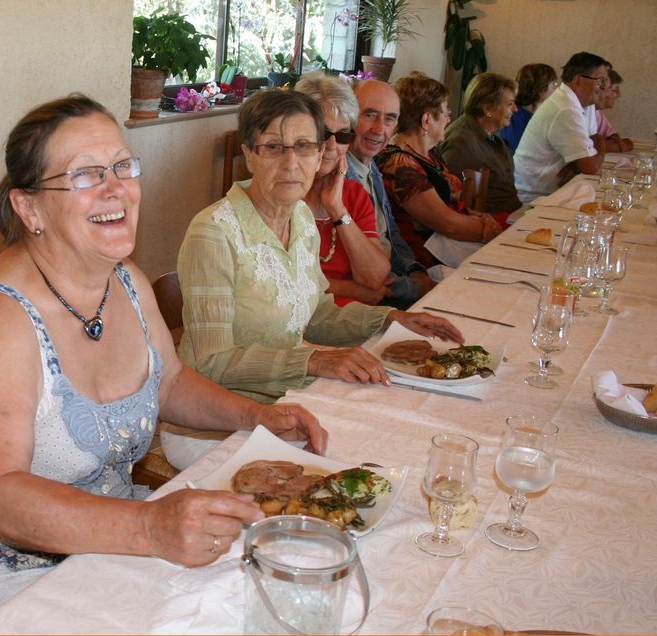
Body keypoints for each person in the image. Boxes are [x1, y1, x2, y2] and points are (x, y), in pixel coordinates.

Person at [0, 94, 328, 633]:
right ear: (29, 207)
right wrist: (150, 526)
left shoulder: (123, 278)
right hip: (3, 578)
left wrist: (256, 417)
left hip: (107, 540)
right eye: (83, 175)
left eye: (122, 166)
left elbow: (169, 382)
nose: (115, 188)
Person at [176, 89, 463, 406]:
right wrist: (313, 361)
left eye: (304, 147)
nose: (291, 163)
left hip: (287, 395)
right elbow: (211, 361)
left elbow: (316, 314)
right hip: (220, 411)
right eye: (273, 147)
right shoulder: (214, 233)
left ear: (319, 154)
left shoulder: (300, 217)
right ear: (249, 155)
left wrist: (390, 319)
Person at [377, 72, 502, 268]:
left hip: (450, 248)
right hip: (424, 261)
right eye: (446, 113)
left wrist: (481, 217)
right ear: (427, 120)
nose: (448, 120)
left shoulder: (429, 153)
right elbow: (447, 223)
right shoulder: (400, 164)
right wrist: (488, 227)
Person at [294, 72, 393, 306]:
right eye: (322, 133)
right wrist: (354, 289)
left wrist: (337, 209)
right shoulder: (281, 196)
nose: (331, 146)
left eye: (343, 135)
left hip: (356, 321)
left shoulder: (352, 195)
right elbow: (282, 282)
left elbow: (375, 276)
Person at [345, 78, 436, 308]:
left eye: (389, 119)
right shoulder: (337, 175)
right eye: (369, 115)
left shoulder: (371, 166)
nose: (379, 129)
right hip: (370, 297)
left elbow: (391, 235)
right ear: (349, 118)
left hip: (396, 281)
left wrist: (414, 270)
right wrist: (414, 287)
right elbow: (354, 272)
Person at [513, 52, 609, 203]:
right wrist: (601, 142)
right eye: (600, 80)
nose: (604, 86)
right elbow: (590, 166)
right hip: (532, 197)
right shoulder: (566, 108)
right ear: (578, 80)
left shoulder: (580, 103)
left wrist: (577, 165)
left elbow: (590, 150)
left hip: (553, 191)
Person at [439, 72, 522, 225]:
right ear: (488, 109)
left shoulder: (489, 133)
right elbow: (450, 200)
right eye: (510, 104)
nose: (516, 109)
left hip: (511, 214)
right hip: (491, 224)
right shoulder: (461, 142)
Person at [500, 63, 558, 152]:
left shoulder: (550, 113)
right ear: (540, 88)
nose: (557, 87)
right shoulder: (513, 116)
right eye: (554, 83)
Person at [593, 69, 633, 153]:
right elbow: (589, 147)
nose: (619, 95)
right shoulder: (581, 109)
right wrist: (621, 146)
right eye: (616, 90)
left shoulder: (597, 112)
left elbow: (613, 135)